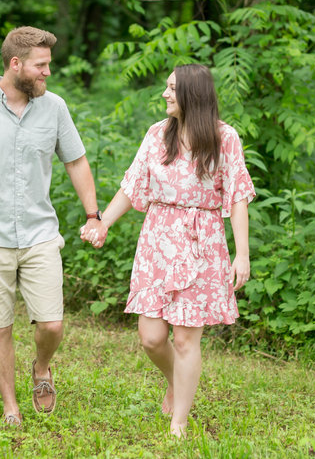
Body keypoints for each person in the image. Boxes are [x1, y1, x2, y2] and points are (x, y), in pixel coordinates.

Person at [0, 26, 104, 428]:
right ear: (16, 64)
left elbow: (76, 161)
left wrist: (93, 214)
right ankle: (10, 406)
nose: (48, 73)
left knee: (51, 323)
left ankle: (42, 368)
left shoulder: (55, 108)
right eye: (41, 66)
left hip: (39, 235)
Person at [81, 64, 255, 437]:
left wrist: (242, 253)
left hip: (202, 242)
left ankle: (179, 422)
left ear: (192, 93)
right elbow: (133, 185)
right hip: (157, 241)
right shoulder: (157, 135)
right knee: (151, 337)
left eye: (172, 88)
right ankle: (177, 381)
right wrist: (103, 222)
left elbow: (238, 196)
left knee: (184, 338)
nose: (165, 94)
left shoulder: (225, 139)